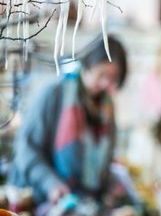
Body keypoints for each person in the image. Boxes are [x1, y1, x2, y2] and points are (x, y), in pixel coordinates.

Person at [10, 35, 128, 207]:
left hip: (80, 207)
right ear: (88, 63)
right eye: (102, 74)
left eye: (112, 79)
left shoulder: (106, 107)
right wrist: (51, 184)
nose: (105, 84)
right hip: (38, 203)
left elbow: (105, 160)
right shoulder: (54, 94)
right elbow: (26, 150)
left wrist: (112, 185)